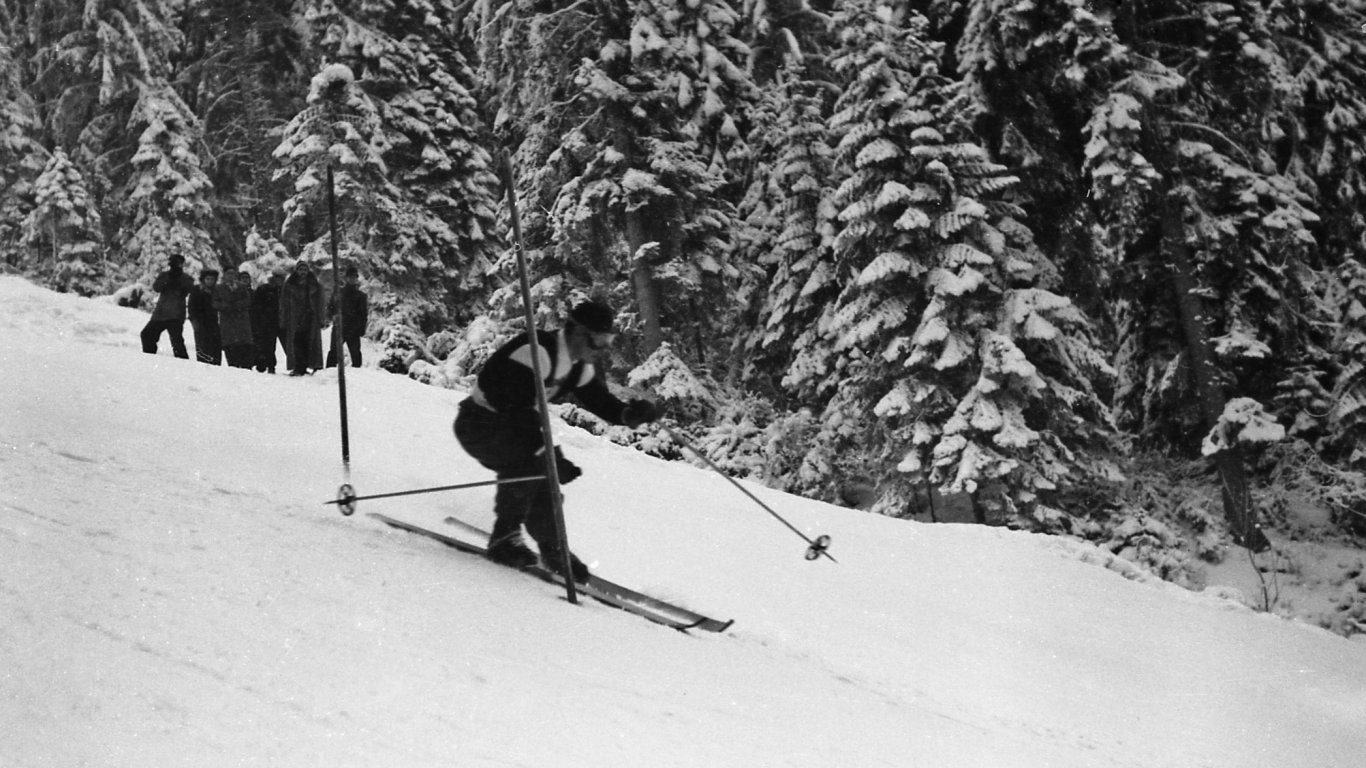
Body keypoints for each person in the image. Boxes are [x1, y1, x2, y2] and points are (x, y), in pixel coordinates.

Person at [453, 301, 662, 582]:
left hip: (512, 427)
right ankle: (505, 539)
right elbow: (518, 411)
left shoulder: (575, 365)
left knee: (544, 476)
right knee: (530, 464)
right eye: (598, 340)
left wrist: (629, 414)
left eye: (607, 341)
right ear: (577, 331)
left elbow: (599, 400)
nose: (601, 349)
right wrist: (550, 454)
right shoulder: (536, 352)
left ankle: (552, 549)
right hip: (479, 423)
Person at [139, 254, 195, 358]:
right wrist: (168, 280)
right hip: (161, 313)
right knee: (147, 335)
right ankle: (149, 357)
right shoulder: (165, 275)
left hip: (175, 314)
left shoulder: (186, 278)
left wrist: (179, 281)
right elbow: (156, 287)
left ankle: (183, 363)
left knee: (177, 342)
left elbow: (190, 288)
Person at [279, 259, 325, 376]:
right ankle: (298, 367)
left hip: (310, 317)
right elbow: (284, 303)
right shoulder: (289, 285)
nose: (303, 272)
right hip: (294, 318)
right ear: (297, 271)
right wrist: (284, 318)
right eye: (300, 269)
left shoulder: (315, 284)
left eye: (305, 269)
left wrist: (321, 318)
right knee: (296, 344)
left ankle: (314, 365)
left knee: (310, 343)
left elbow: (320, 302)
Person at [326, 266, 368, 368]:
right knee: (334, 352)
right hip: (339, 326)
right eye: (350, 277)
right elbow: (330, 308)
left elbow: (363, 314)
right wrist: (333, 316)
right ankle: (329, 373)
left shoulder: (361, 296)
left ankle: (357, 374)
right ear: (346, 278)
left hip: (353, 328)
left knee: (355, 354)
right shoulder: (338, 293)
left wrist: (361, 328)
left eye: (354, 277)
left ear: (357, 279)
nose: (352, 279)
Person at [215, 267, 254, 368]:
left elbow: (247, 300)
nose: (230, 276)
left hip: (242, 322)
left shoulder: (241, 287)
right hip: (227, 322)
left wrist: (238, 305)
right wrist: (225, 306)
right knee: (231, 348)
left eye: (232, 273)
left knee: (245, 348)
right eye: (228, 273)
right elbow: (215, 302)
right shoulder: (219, 288)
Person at [251, 268, 286, 373]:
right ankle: (269, 365)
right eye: (278, 277)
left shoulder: (286, 290)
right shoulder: (264, 289)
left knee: (288, 344)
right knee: (269, 345)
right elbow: (256, 305)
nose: (280, 280)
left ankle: (296, 365)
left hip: (282, 320)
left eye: (282, 278)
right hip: (268, 321)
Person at [187, 269, 222, 365]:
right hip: (200, 323)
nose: (210, 281)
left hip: (213, 324)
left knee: (215, 351)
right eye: (208, 279)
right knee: (203, 350)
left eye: (212, 279)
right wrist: (194, 322)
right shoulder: (197, 291)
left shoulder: (216, 292)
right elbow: (191, 308)